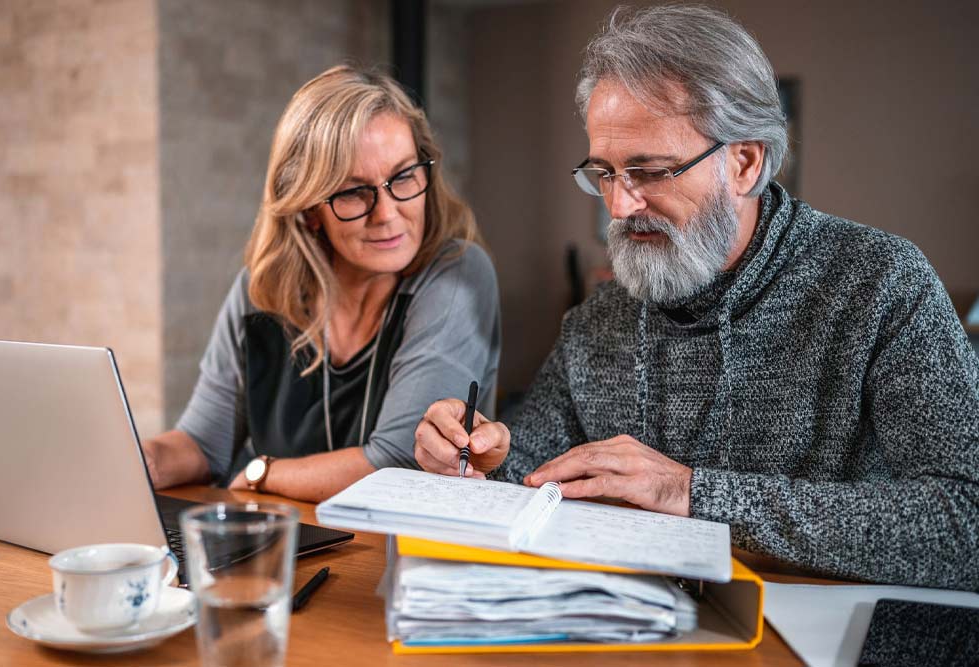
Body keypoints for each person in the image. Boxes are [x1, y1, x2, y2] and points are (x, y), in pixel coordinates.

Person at [414, 5, 979, 589]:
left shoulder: (881, 285)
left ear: (745, 161)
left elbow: (965, 524)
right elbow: (536, 468)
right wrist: (487, 455)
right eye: (604, 173)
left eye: (650, 171)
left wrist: (691, 492)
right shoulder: (599, 319)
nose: (619, 206)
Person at [143, 65, 500, 501]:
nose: (386, 213)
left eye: (403, 176)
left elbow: (398, 461)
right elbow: (202, 443)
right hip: (279, 543)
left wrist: (261, 472)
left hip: (392, 553)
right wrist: (142, 460)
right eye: (353, 192)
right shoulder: (260, 290)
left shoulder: (457, 273)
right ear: (309, 209)